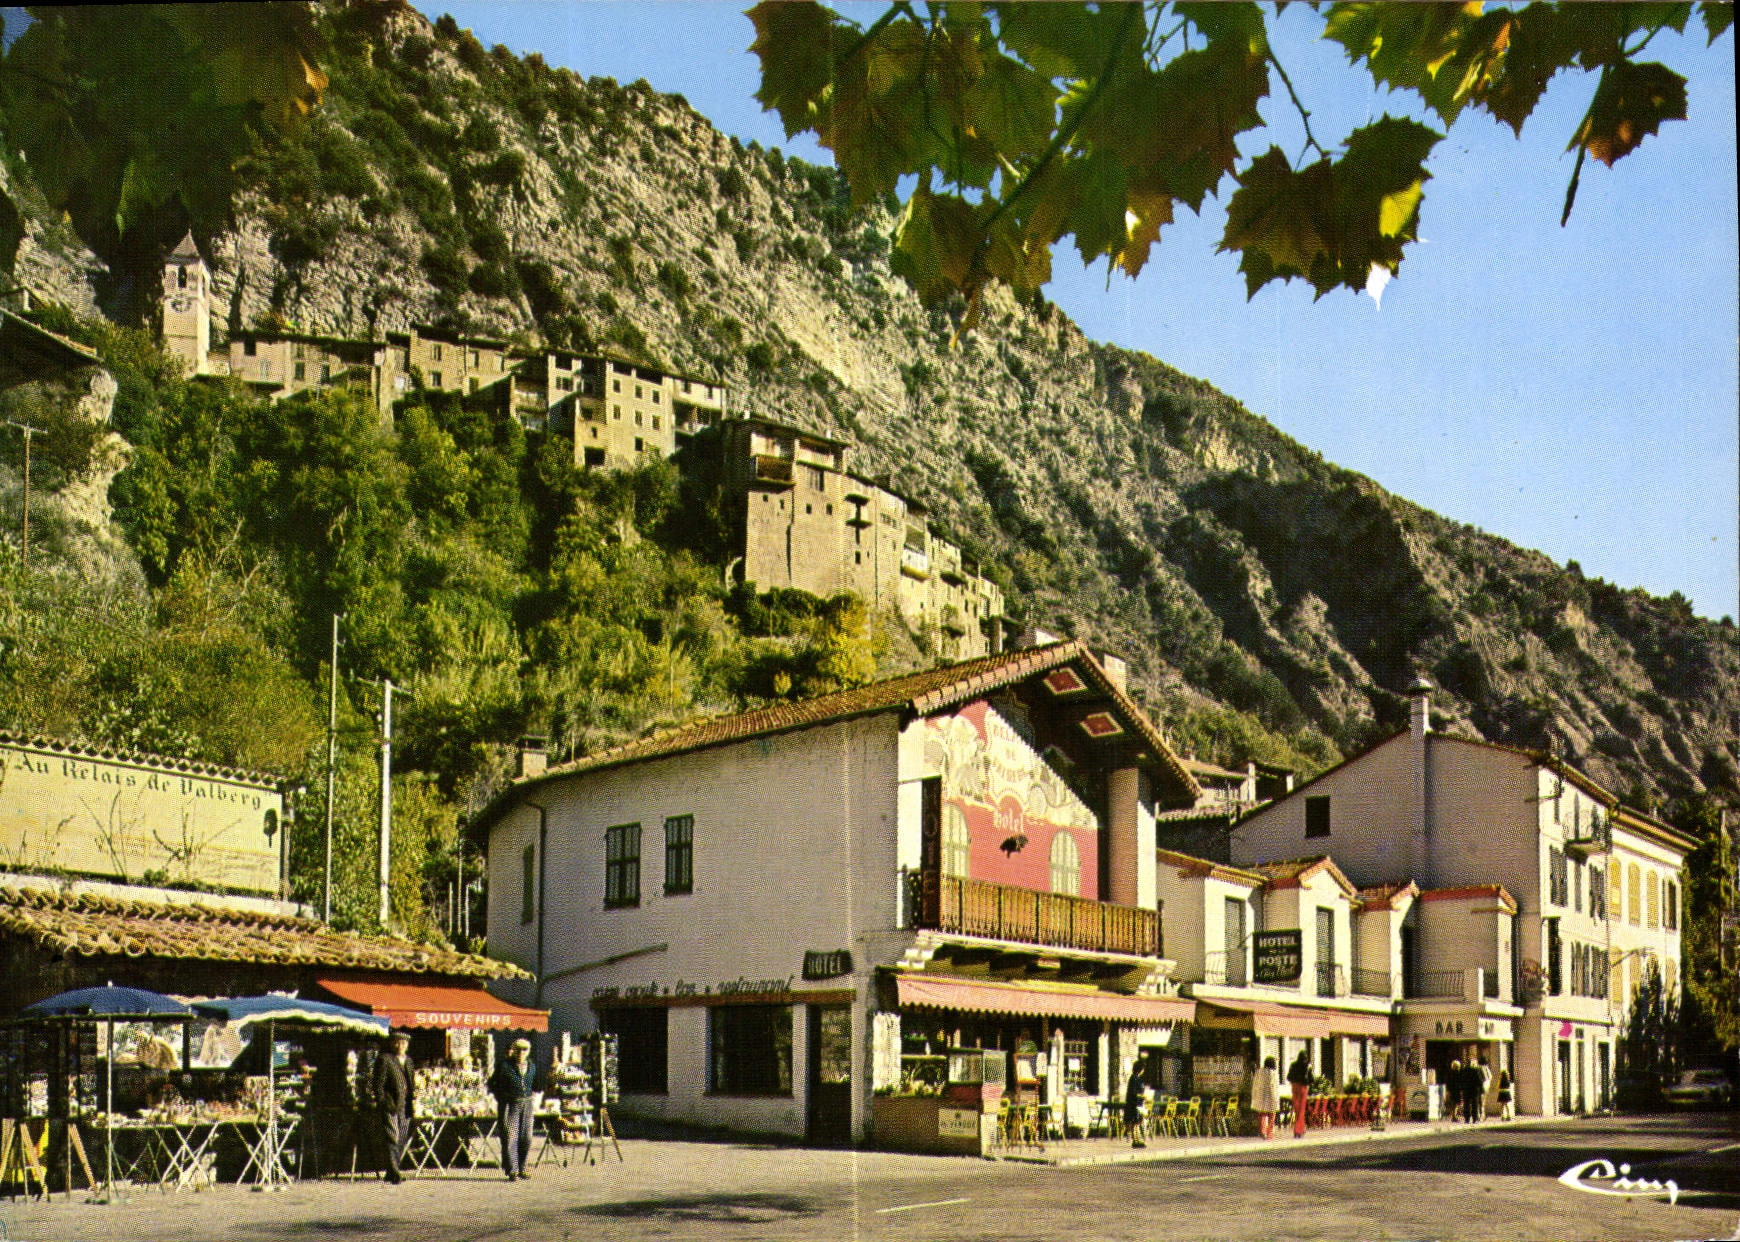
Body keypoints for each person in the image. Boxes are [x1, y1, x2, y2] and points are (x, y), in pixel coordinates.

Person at [489, 1037, 538, 1180]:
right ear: (513, 1051)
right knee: (511, 1137)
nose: (521, 1052)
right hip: (511, 1103)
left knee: (527, 1137)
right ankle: (512, 1170)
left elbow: (535, 1083)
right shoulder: (504, 1066)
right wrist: (503, 1098)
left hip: (528, 1102)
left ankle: (523, 1167)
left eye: (524, 1049)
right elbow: (493, 1084)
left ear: (528, 1051)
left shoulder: (531, 1065)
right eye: (518, 1049)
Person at [371, 1032, 415, 1184]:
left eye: (404, 1043)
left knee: (401, 1138)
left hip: (406, 1105)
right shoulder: (385, 1059)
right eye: (397, 1042)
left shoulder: (408, 1061)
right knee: (393, 1137)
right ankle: (395, 1173)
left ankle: (391, 1171)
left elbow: (411, 1082)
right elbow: (377, 1085)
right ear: (392, 1043)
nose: (400, 1046)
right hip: (391, 1105)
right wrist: (383, 1102)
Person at [1252, 1055, 1281, 1140]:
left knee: (1262, 1114)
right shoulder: (1274, 1073)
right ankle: (1270, 1133)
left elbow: (1256, 1083)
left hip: (1261, 1096)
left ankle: (1262, 1131)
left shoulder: (1259, 1072)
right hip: (1271, 1096)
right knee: (1272, 1114)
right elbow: (1275, 1086)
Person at [1286, 1050, 1312, 1138]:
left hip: (1294, 1087)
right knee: (1301, 1110)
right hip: (1303, 1088)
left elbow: (1289, 1077)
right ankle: (1298, 1130)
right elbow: (1311, 1079)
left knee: (1297, 1110)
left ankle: (1301, 1128)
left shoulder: (1293, 1065)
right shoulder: (1307, 1066)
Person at [1123, 1059, 1147, 1148]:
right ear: (1140, 1069)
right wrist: (1141, 1096)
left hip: (1138, 1104)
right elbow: (1133, 1092)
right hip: (1134, 1104)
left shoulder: (1137, 1078)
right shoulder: (1133, 1078)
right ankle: (1135, 1140)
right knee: (1134, 1123)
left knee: (1137, 1122)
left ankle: (1138, 1139)